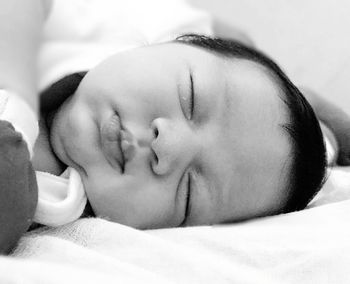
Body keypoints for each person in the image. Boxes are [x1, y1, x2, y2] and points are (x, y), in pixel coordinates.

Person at [2, 0, 345, 252]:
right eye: (190, 99)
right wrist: (15, 101)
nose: (165, 147)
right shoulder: (108, 32)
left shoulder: (51, 199)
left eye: (189, 191)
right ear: (164, 46)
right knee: (228, 40)